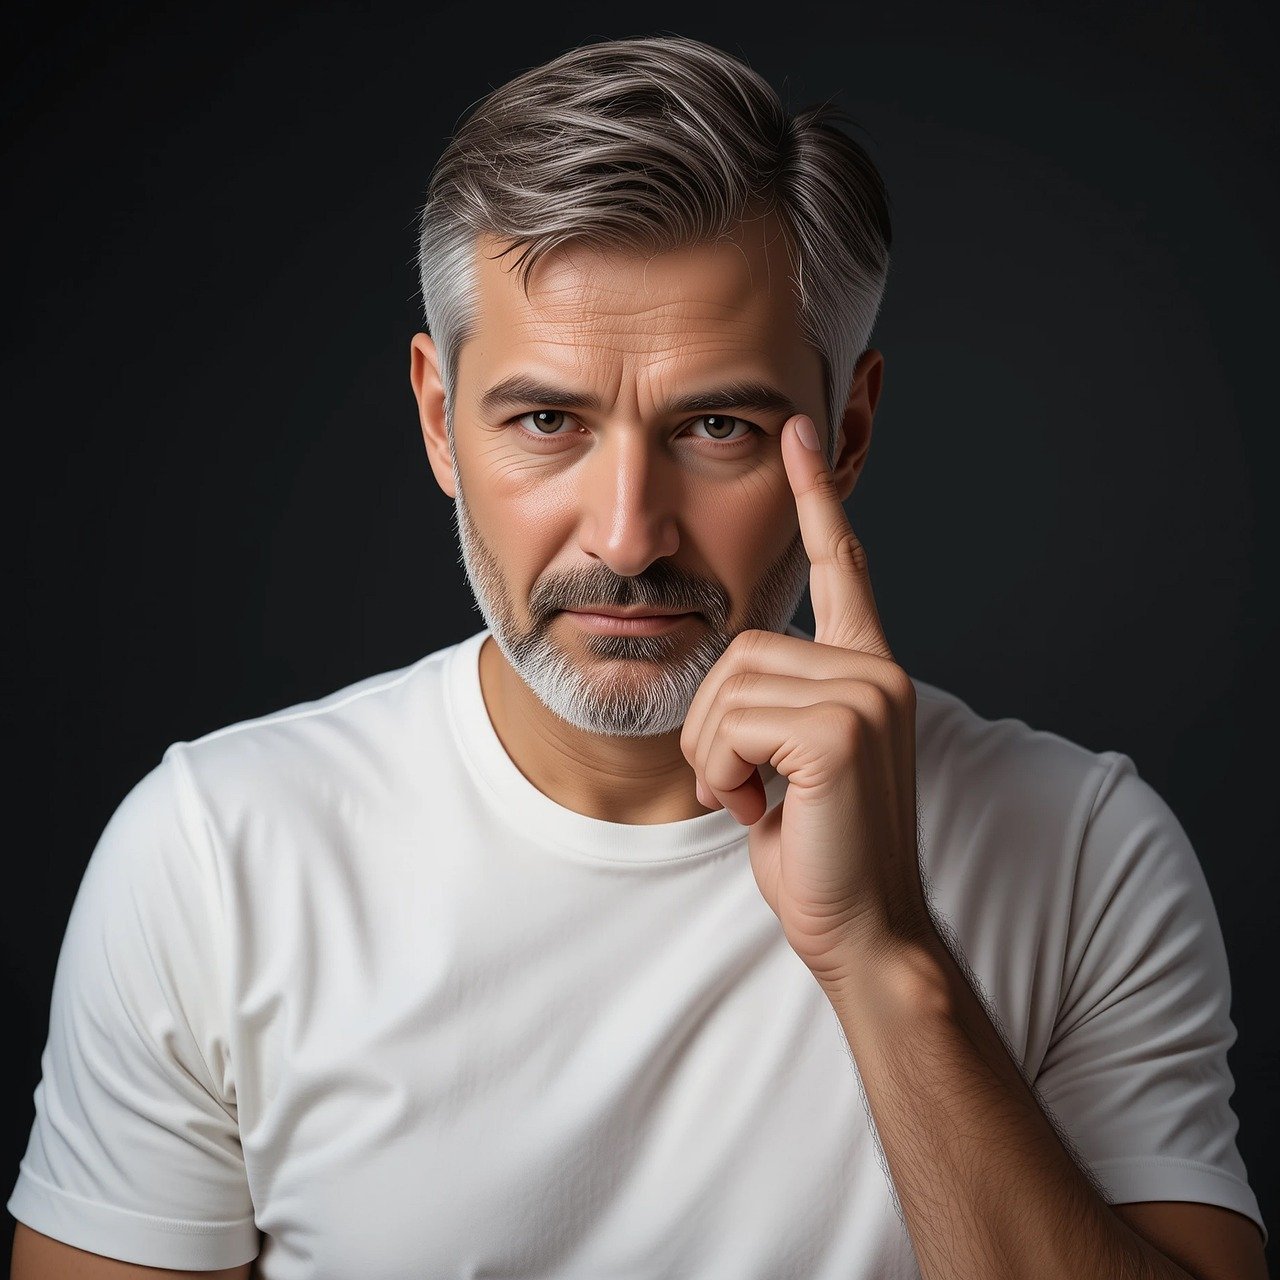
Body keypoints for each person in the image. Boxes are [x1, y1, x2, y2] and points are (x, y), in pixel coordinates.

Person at [8, 33, 1268, 1280]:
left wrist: (884, 955)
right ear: (440, 420)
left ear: (845, 432)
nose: (626, 535)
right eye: (546, 419)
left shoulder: (1083, 851)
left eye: (716, 425)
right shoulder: (215, 855)